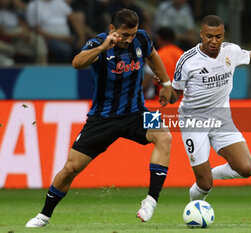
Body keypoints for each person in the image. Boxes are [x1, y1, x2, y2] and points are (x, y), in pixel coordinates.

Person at [25, 9, 172, 227]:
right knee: (71, 169)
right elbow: (77, 63)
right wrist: (103, 48)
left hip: (136, 113)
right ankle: (44, 215)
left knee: (165, 137)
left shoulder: (141, 38)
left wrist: (166, 84)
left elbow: (152, 55)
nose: (128, 39)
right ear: (112, 29)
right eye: (124, 34)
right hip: (102, 118)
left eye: (131, 34)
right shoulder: (98, 43)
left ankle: (150, 200)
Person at [168, 15, 251, 201]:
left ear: (223, 35)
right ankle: (196, 201)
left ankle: (206, 174)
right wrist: (167, 93)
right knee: (205, 185)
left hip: (221, 119)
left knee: (246, 168)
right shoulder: (187, 61)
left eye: (218, 37)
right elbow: (175, 95)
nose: (214, 41)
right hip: (193, 121)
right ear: (201, 34)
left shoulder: (231, 51)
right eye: (209, 36)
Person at [143, 26, 184, 99]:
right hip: (181, 101)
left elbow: (146, 81)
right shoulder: (183, 54)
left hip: (161, 101)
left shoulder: (156, 56)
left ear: (158, 38)